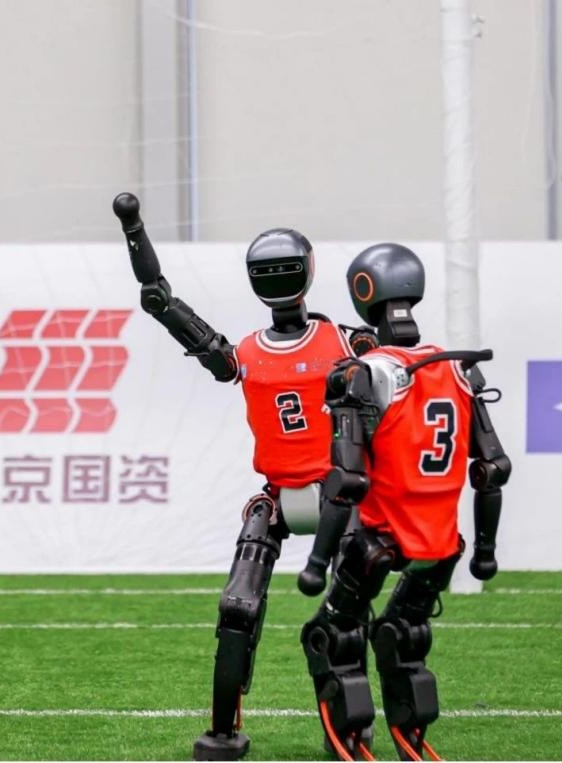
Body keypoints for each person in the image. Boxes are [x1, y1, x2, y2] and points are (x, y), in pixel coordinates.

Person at [112, 194, 376, 761]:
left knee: (344, 612)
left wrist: (162, 300)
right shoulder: (283, 348)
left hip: (340, 492)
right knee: (239, 606)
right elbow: (208, 346)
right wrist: (163, 303)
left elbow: (390, 368)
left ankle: (351, 724)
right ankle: (224, 729)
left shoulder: (343, 343)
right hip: (278, 495)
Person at [297, 243, 511, 761]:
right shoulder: (458, 370)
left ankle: (351, 742)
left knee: (331, 634)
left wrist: (318, 562)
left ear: (363, 291)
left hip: (379, 539)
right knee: (404, 634)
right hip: (442, 546)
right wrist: (485, 550)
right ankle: (412, 738)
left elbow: (346, 480)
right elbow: (492, 469)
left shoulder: (363, 373)